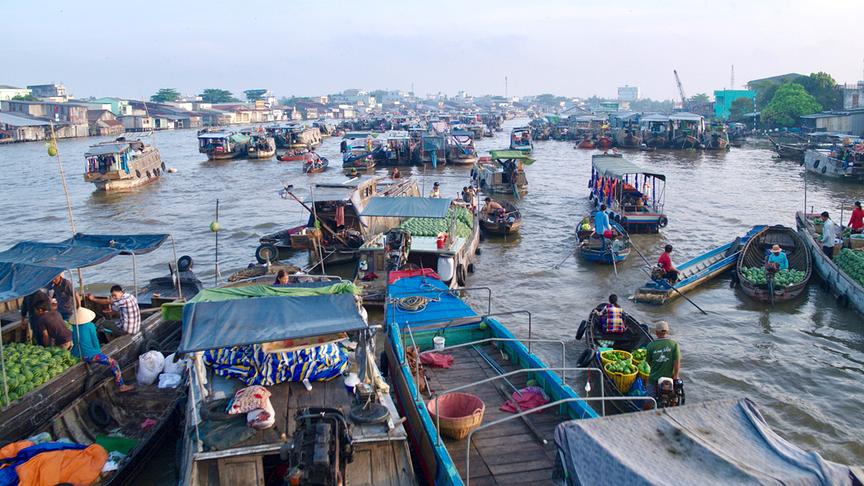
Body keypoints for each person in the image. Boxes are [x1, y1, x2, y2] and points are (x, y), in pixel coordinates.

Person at [69, 307, 132, 392]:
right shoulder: (90, 326)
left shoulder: (73, 327)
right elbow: (95, 341)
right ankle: (121, 386)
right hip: (89, 355)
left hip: (76, 354)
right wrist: (98, 353)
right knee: (114, 363)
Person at [645, 321, 681, 398]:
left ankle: (648, 408)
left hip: (654, 379)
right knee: (674, 398)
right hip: (669, 379)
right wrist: (676, 376)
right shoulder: (674, 344)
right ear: (667, 331)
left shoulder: (651, 345)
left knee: (649, 400)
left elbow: (648, 362)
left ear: (656, 332)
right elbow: (677, 362)